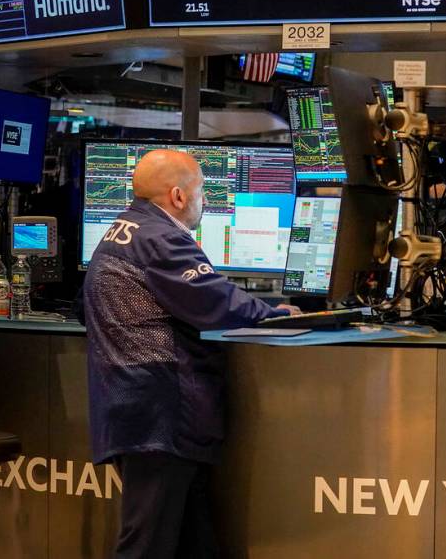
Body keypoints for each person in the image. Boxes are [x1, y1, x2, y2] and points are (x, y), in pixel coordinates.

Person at [78, 149, 299, 558]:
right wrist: (273, 313)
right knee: (147, 545)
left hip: (135, 406)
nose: (205, 202)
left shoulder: (122, 230)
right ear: (178, 196)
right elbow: (214, 302)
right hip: (161, 414)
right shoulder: (160, 238)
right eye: (201, 192)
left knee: (190, 540)